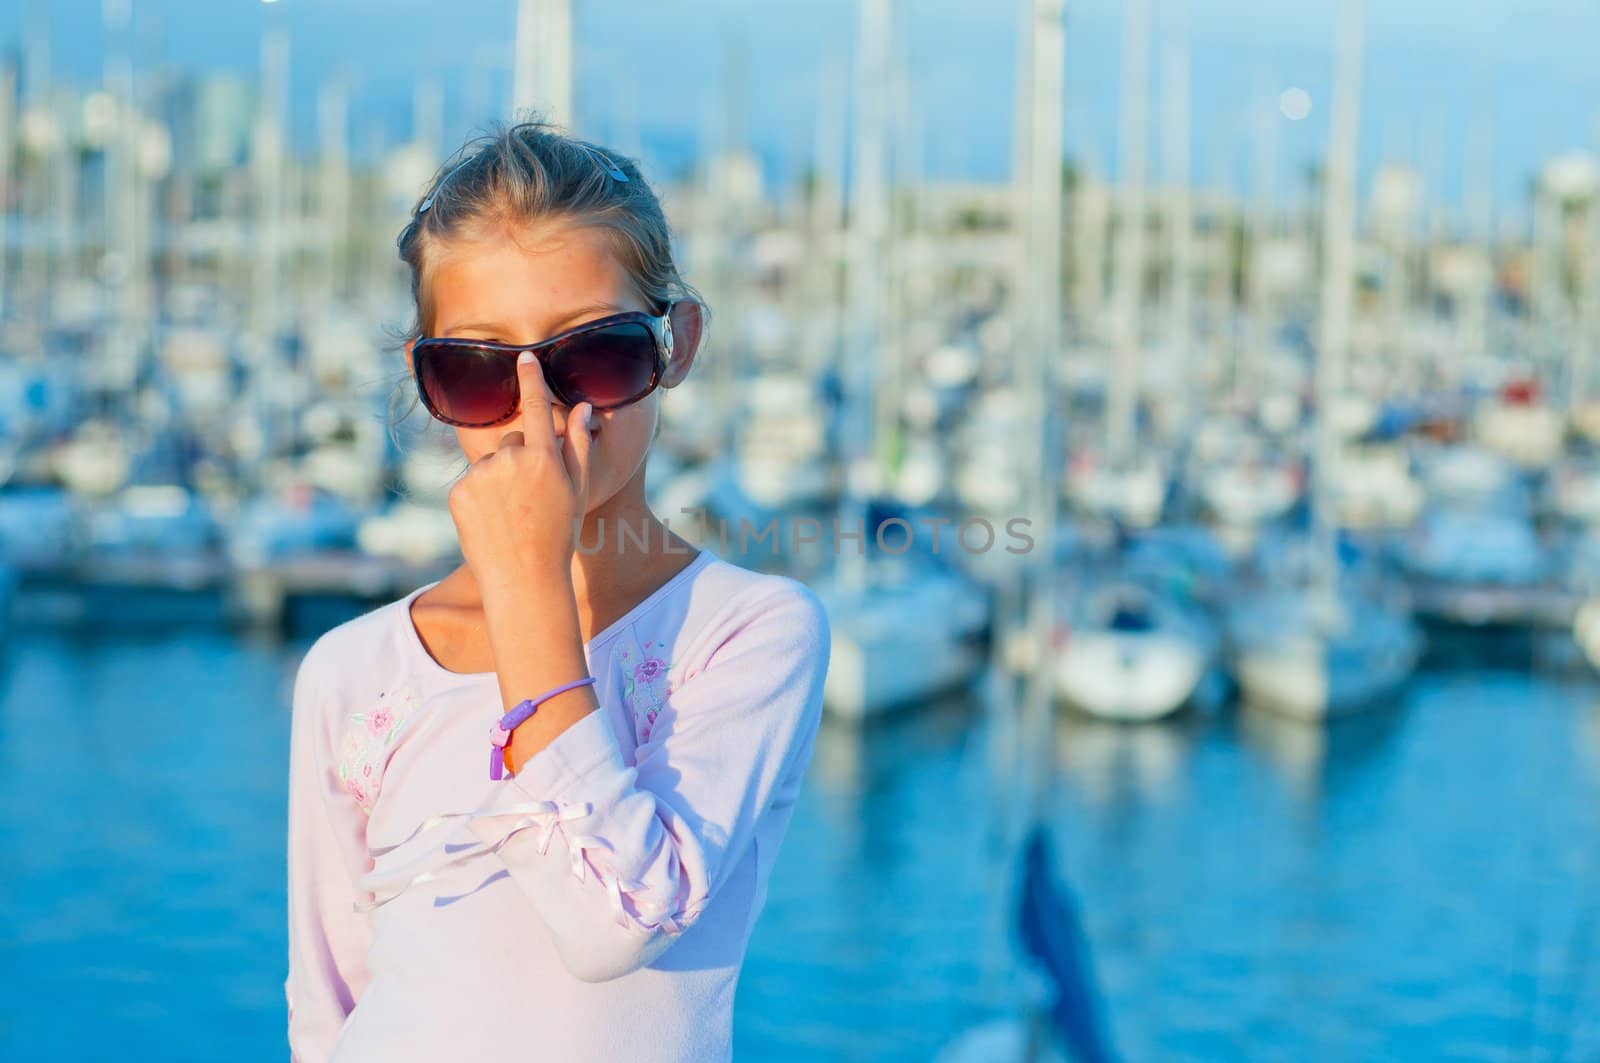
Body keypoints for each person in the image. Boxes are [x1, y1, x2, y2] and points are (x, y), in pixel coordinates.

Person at [285, 117, 831, 1062]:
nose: (541, 411)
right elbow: (326, 1004)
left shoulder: (749, 634)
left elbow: (613, 921)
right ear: (426, 381)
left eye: (594, 357)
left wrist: (528, 584)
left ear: (677, 344)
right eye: (478, 368)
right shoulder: (352, 670)